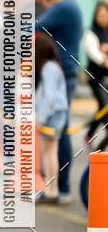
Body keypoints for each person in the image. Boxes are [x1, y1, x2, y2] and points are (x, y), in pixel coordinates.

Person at [35, 0, 83, 203]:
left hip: (60, 74)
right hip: (64, 73)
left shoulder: (63, 7)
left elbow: (31, 27)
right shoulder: (67, 6)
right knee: (59, 131)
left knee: (57, 132)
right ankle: (58, 188)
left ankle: (60, 189)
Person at [35, 33, 68, 204]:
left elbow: (48, 97)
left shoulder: (48, 67)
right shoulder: (53, 66)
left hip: (52, 114)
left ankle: (51, 191)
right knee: (50, 152)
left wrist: (40, 118)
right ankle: (50, 190)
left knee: (49, 153)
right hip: (56, 113)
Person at [82, 1, 108, 145]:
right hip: (95, 77)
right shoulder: (90, 33)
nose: (104, 18)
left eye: (106, 15)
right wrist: (103, 54)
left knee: (102, 106)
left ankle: (89, 135)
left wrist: (104, 48)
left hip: (106, 78)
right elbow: (95, 54)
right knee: (105, 107)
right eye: (101, 15)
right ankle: (101, 148)